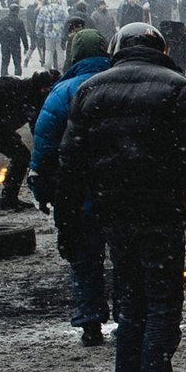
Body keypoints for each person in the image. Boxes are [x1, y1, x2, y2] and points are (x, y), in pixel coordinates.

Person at [55, 22, 186, 372]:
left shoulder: (89, 91)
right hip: (160, 214)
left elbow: (70, 164)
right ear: (160, 48)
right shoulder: (178, 88)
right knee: (162, 309)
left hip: (113, 216)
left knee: (130, 308)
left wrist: (68, 224)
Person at [31, 30, 113, 346]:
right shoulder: (121, 82)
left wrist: (42, 189)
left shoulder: (62, 92)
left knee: (83, 259)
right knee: (126, 258)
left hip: (76, 192)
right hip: (122, 189)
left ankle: (90, 322)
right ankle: (129, 315)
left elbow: (45, 146)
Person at [0, 69, 56, 213]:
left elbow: (36, 126)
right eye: (46, 88)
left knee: (21, 155)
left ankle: (9, 199)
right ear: (38, 85)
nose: (48, 91)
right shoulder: (12, 85)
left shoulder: (39, 100)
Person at [162, 17, 186, 90]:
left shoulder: (182, 31)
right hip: (175, 57)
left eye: (168, 30)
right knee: (178, 76)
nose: (167, 32)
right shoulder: (163, 34)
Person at [35, 0, 67, 70]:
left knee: (49, 50)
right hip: (60, 34)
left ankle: (47, 67)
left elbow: (39, 22)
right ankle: (60, 68)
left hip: (48, 34)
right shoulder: (62, 8)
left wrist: (38, 32)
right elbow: (66, 20)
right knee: (60, 51)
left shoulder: (44, 9)